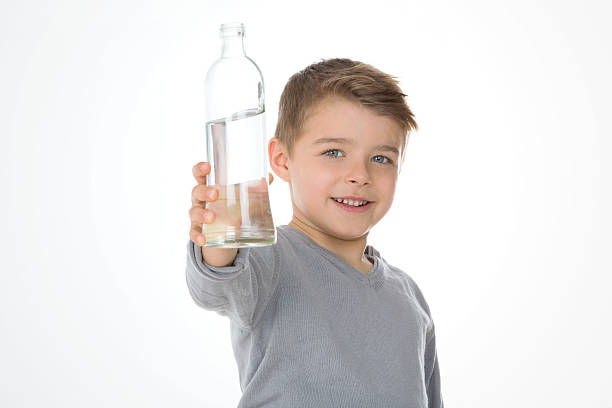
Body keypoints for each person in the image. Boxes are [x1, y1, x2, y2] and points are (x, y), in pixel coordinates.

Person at [186, 58, 444, 407]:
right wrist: (221, 233)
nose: (359, 174)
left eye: (381, 158)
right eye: (334, 152)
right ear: (281, 159)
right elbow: (218, 283)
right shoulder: (269, 259)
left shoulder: (410, 299)